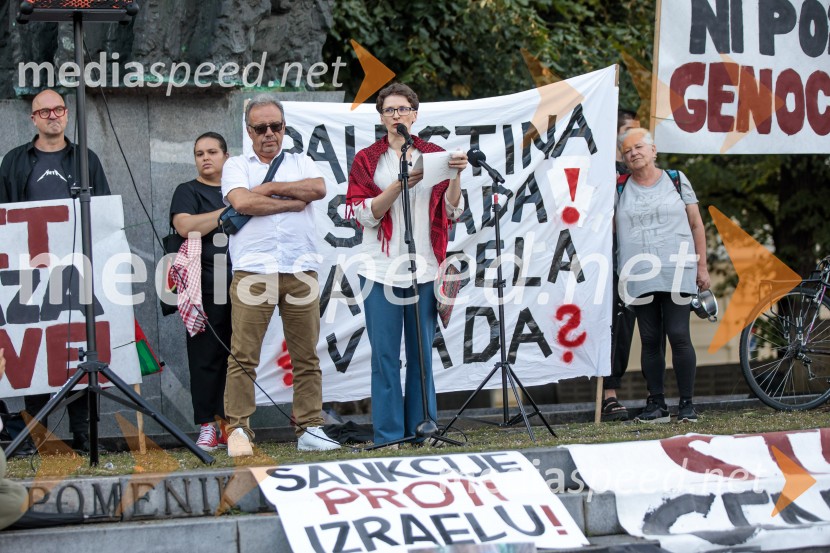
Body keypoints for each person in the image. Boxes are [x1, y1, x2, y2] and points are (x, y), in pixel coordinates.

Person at [346, 83, 468, 445]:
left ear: (415, 114)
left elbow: (452, 211)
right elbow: (363, 214)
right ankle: (387, 435)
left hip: (425, 269)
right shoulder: (367, 160)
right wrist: (400, 184)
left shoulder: (434, 154)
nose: (396, 116)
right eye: (389, 110)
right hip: (379, 270)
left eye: (402, 110)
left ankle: (423, 430)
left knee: (421, 357)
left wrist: (455, 174)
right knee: (384, 357)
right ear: (381, 117)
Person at [221, 94, 339, 455]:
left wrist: (270, 188)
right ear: (249, 130)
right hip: (254, 270)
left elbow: (317, 189)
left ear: (284, 128)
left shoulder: (302, 160)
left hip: (299, 269)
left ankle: (310, 428)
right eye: (261, 128)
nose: (269, 133)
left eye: (276, 126)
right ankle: (238, 429)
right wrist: (290, 201)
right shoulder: (236, 165)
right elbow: (242, 202)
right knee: (243, 355)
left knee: (307, 356)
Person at [0, 89, 111, 454]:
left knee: (81, 348)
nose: (52, 115)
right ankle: (37, 437)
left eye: (58, 109)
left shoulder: (85, 159)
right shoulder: (15, 161)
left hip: (77, 269)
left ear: (66, 114)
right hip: (28, 273)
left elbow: (104, 213)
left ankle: (83, 435)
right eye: (43, 111)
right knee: (35, 348)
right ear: (33, 118)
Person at [615, 128, 710, 423]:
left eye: (639, 147)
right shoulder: (618, 187)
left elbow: (696, 224)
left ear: (654, 150)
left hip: (677, 270)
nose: (633, 153)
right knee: (650, 338)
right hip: (639, 274)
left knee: (679, 335)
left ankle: (687, 405)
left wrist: (702, 266)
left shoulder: (676, 180)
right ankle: (656, 404)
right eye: (627, 150)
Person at [169, 132, 232, 451]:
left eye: (212, 152)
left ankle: (233, 425)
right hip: (204, 284)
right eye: (199, 153)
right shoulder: (188, 190)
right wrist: (228, 212)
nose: (205, 158)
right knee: (205, 356)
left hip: (246, 280)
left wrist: (238, 202)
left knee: (240, 356)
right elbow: (185, 226)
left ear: (226, 155)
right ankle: (208, 426)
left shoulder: (238, 188)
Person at [602, 109, 653, 422]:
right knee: (614, 329)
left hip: (642, 262)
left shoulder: (643, 172)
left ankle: (656, 395)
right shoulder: (605, 171)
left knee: (646, 328)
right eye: (626, 132)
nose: (631, 140)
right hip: (609, 261)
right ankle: (609, 395)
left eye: (637, 133)